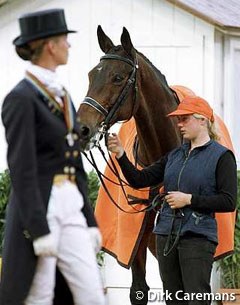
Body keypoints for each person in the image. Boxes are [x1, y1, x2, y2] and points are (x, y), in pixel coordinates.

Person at [0, 9, 105, 305]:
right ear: (50, 46)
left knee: (91, 294)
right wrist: (37, 227)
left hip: (70, 202)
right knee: (39, 295)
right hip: (43, 207)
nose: (68, 46)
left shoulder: (62, 95)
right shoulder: (21, 98)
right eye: (64, 40)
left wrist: (89, 219)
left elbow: (75, 163)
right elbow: (21, 168)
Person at [107, 96, 237, 305]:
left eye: (185, 119)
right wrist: (121, 154)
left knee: (197, 300)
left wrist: (189, 200)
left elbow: (228, 201)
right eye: (179, 120)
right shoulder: (174, 156)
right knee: (173, 300)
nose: (179, 124)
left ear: (202, 120)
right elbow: (140, 180)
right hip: (166, 236)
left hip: (198, 238)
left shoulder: (222, 157)